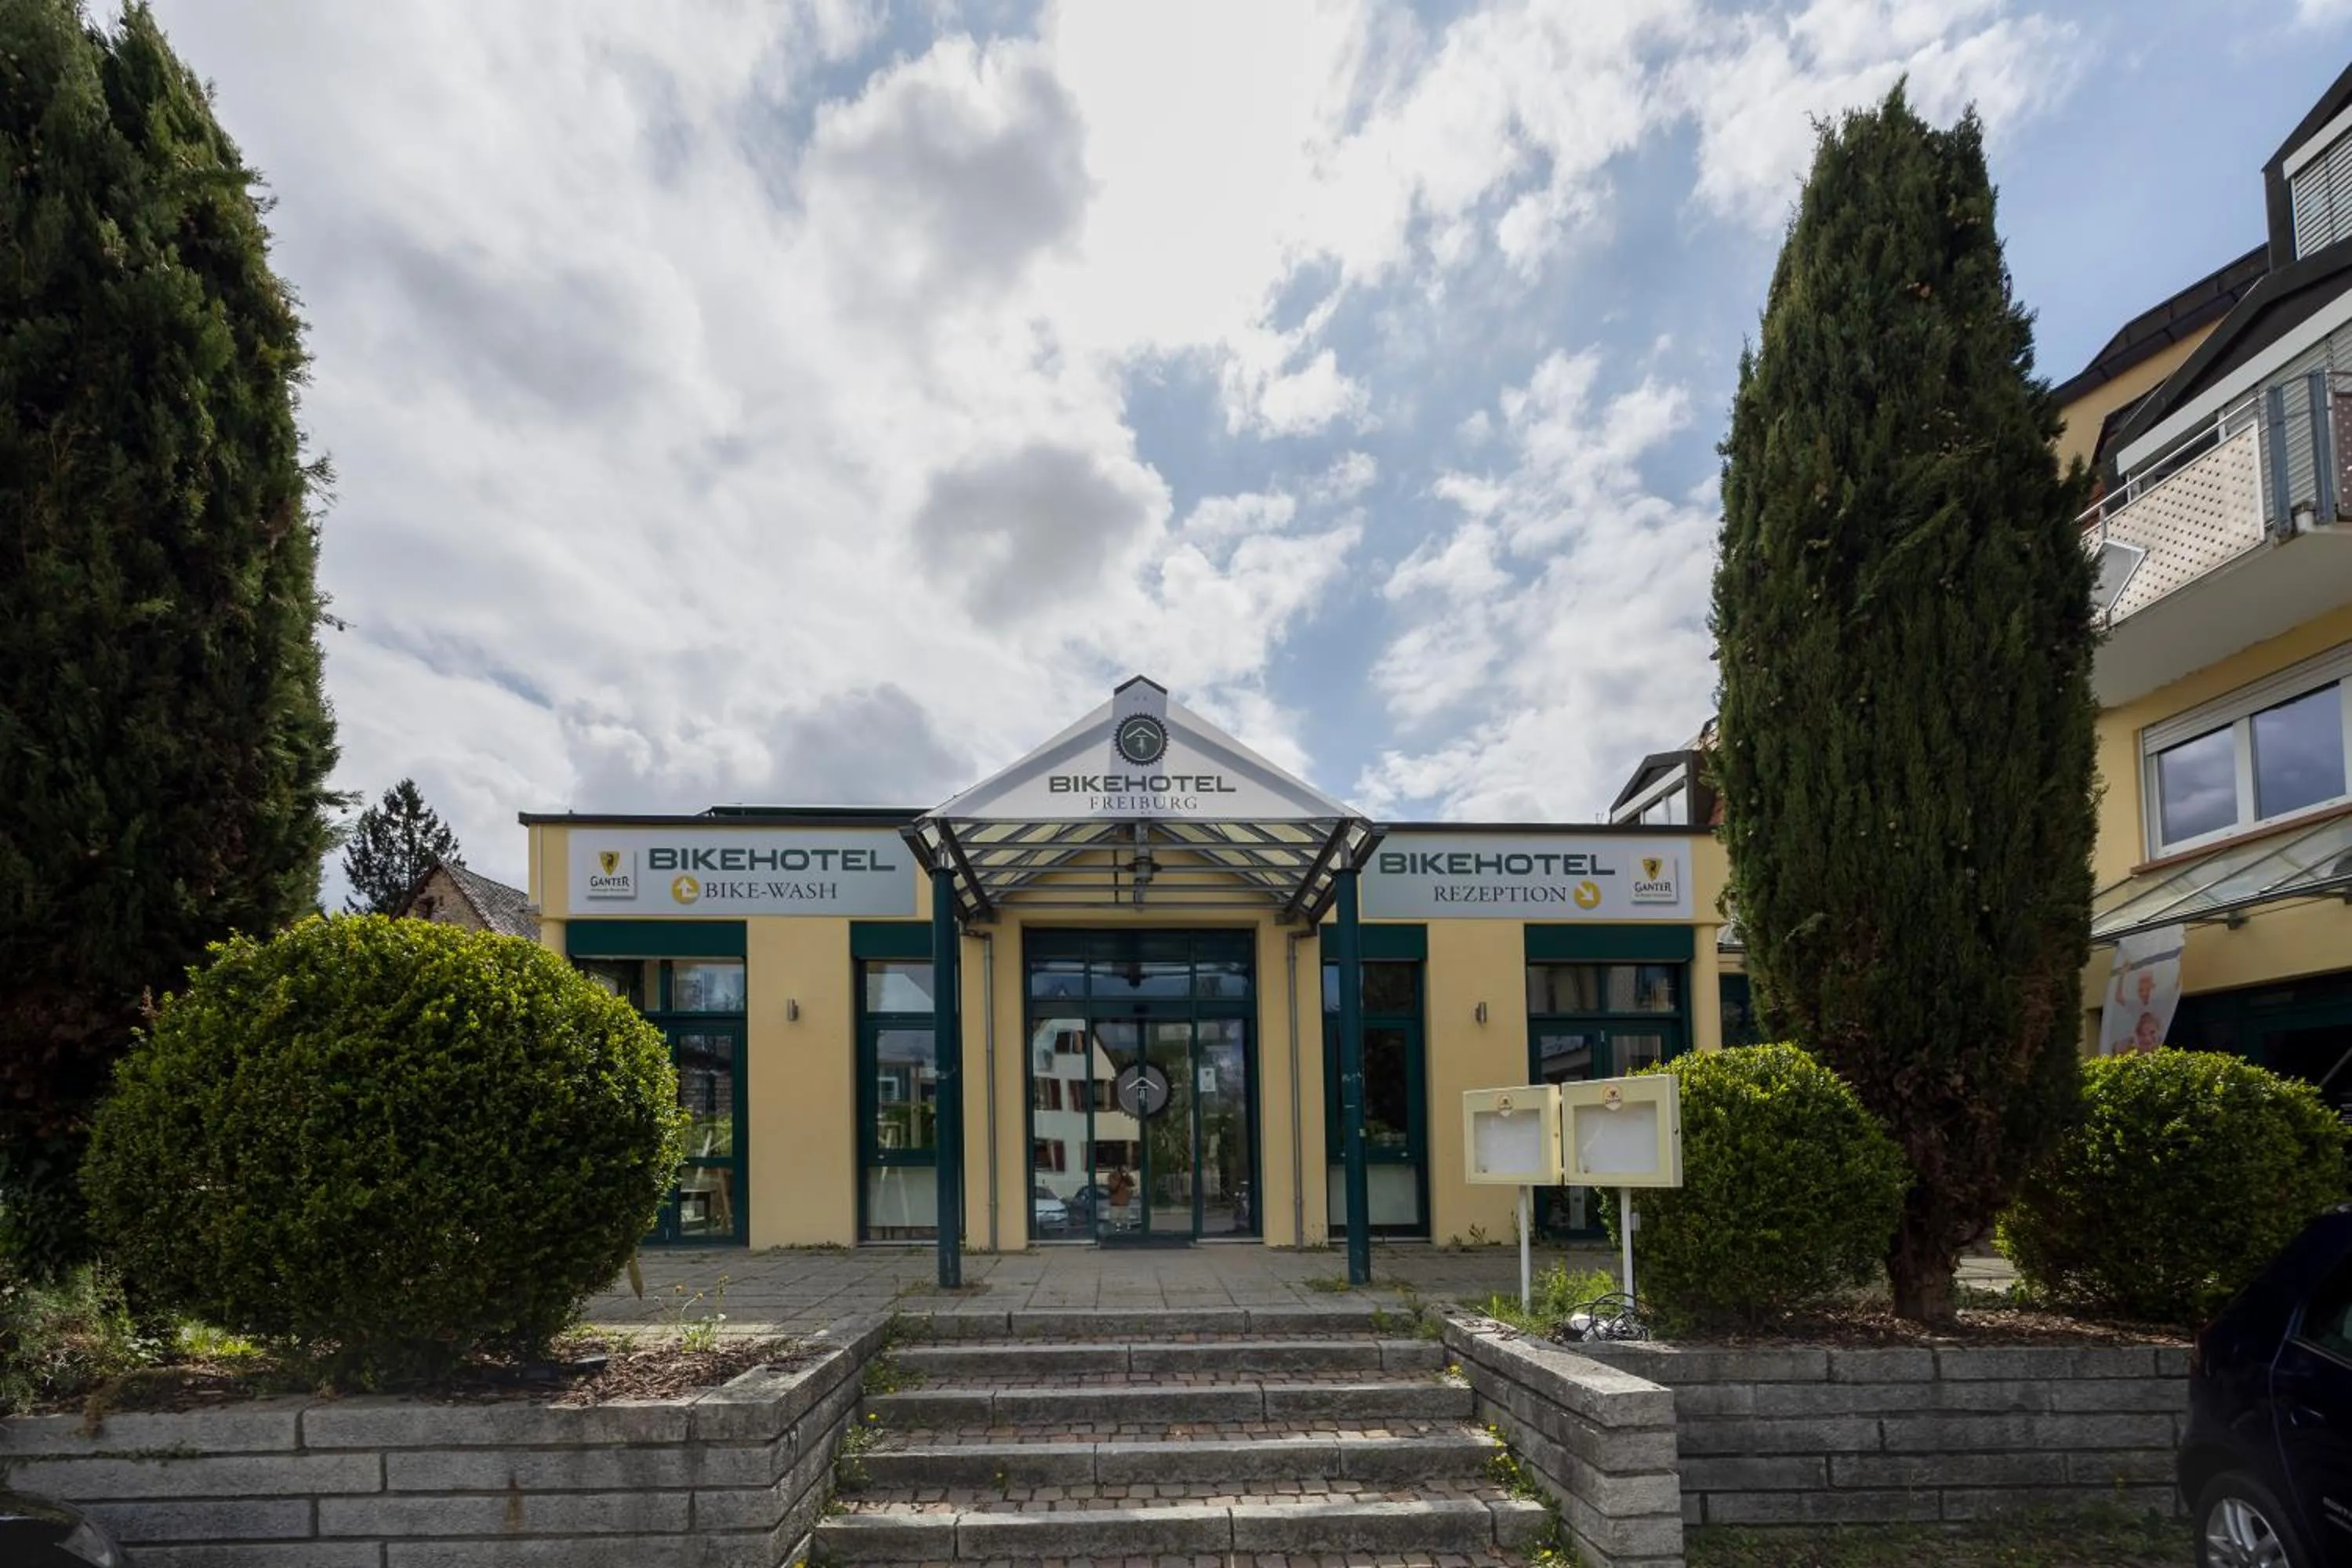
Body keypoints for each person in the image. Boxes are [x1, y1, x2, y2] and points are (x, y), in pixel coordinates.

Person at [1107, 1163, 1135, 1229]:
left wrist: (1127, 1174)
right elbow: (1113, 1187)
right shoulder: (1112, 1176)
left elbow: (1132, 1184)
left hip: (1124, 1203)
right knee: (1115, 1223)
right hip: (1115, 1203)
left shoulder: (1125, 1178)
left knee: (1125, 1221)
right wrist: (1119, 1176)